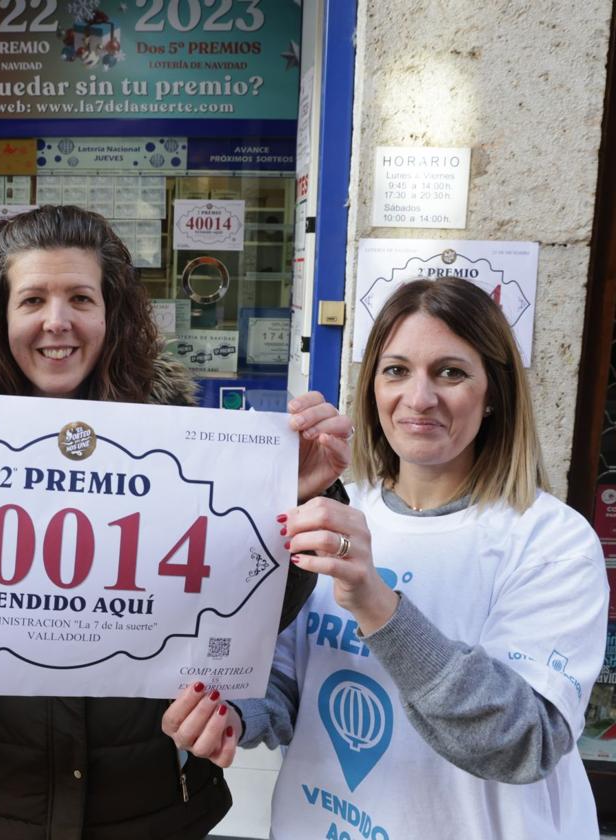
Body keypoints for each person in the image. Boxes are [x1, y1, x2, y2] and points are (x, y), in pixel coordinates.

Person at [0, 204, 353, 839]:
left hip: (153, 809)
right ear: (0, 317)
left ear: (112, 313)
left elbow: (248, 619)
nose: (56, 322)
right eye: (32, 299)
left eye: (80, 297)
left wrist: (300, 502)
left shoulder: (189, 452)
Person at [167, 277, 608, 838]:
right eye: (396, 370)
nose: (419, 398)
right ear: (372, 387)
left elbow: (524, 743)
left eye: (451, 372)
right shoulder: (337, 513)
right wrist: (230, 716)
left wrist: (378, 606)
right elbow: (284, 679)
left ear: (494, 391)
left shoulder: (550, 540)